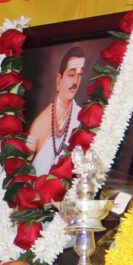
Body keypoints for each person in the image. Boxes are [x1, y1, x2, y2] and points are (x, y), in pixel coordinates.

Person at [26, 45, 86, 176]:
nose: (76, 82)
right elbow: (22, 171)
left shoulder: (82, 118)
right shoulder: (39, 125)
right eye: (71, 74)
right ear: (59, 80)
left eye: (80, 74)